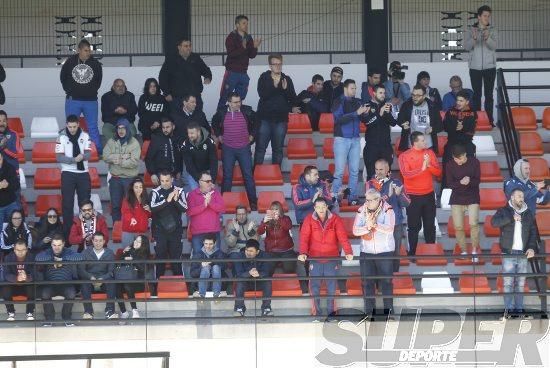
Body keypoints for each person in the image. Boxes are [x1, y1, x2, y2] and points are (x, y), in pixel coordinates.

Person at [298, 197, 353, 318]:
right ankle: (316, 313)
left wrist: (348, 251)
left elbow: (342, 236)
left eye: (323, 206)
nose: (321, 209)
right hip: (314, 259)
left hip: (331, 259)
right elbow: (304, 238)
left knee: (332, 288)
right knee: (314, 288)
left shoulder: (335, 219)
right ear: (314, 208)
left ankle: (331, 313)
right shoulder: (309, 219)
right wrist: (303, 252)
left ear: (327, 207)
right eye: (318, 207)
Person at [491, 189, 537, 319]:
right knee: (508, 284)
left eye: (522, 196)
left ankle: (519, 312)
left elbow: (533, 233)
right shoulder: (504, 211)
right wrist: (511, 218)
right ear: (512, 197)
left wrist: (532, 248)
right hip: (508, 253)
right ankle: (509, 312)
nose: (521, 198)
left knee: (520, 284)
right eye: (518, 196)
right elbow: (494, 223)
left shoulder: (528, 213)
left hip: (523, 254)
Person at [212, 92, 258, 211]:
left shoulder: (247, 111)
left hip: (244, 148)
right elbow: (214, 122)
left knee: (248, 175)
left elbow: (257, 122)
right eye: (235, 102)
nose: (239, 104)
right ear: (229, 102)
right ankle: (223, 202)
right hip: (228, 148)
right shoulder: (222, 112)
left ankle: (253, 202)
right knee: (227, 176)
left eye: (240, 101)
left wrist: (252, 135)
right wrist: (218, 135)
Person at [353, 188, 395, 318]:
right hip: (366, 252)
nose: (367, 202)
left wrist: (375, 225)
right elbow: (355, 230)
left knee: (387, 282)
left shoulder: (388, 209)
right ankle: (369, 312)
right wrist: (367, 227)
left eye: (370, 200)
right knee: (367, 282)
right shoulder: (361, 210)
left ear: (378, 200)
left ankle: (389, 312)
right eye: (366, 199)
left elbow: (390, 229)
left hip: (385, 252)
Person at [399, 132, 442, 256]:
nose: (425, 143)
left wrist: (428, 165)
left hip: (428, 194)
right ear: (415, 142)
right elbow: (406, 174)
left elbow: (438, 172)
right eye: (422, 140)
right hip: (412, 196)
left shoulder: (430, 153)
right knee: (413, 226)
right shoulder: (404, 156)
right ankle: (412, 253)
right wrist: (422, 168)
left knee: (430, 225)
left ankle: (431, 252)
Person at [365, 159, 410, 272]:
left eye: (381, 169)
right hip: (378, 224)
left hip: (396, 224)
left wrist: (399, 195)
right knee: (380, 252)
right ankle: (381, 280)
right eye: (376, 169)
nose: (378, 172)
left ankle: (393, 278)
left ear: (387, 169)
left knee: (395, 252)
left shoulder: (397, 183)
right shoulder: (370, 184)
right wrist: (388, 195)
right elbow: (371, 204)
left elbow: (407, 203)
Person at [254, 54, 299, 166]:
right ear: (270, 65)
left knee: (278, 150)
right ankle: (255, 174)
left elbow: (293, 98)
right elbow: (263, 95)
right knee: (260, 148)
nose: (278, 66)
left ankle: (276, 172)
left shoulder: (287, 79)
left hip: (281, 120)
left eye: (280, 64)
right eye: (275, 64)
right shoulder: (263, 78)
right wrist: (275, 86)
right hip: (264, 119)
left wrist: (285, 90)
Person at [60, 39, 103, 154]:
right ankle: (69, 151)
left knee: (92, 127)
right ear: (79, 50)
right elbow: (63, 78)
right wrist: (69, 91)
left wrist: (91, 91)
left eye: (89, 51)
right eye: (85, 50)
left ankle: (97, 151)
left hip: (91, 101)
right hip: (73, 100)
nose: (88, 53)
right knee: (71, 126)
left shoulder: (95, 63)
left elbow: (99, 80)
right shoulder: (70, 62)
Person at [56, 114, 92, 238]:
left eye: (74, 126)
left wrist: (82, 157)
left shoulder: (85, 135)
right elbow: (59, 157)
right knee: (67, 204)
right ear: (66, 125)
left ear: (78, 125)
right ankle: (68, 236)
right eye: (70, 126)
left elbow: (88, 154)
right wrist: (74, 160)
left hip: (83, 173)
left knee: (85, 204)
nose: (72, 129)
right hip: (67, 173)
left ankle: (86, 235)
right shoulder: (61, 137)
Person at [331, 79, 366, 206]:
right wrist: (356, 113)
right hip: (341, 139)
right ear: (345, 88)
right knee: (339, 171)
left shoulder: (357, 102)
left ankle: (352, 197)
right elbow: (338, 119)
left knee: (354, 171)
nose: (354, 90)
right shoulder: (338, 101)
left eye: (355, 88)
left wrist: (366, 112)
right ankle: (334, 197)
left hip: (355, 139)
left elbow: (363, 118)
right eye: (352, 88)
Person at [217, 14, 261, 109]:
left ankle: (237, 119)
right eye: (244, 23)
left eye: (247, 23)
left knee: (239, 99)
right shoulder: (231, 37)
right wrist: (243, 47)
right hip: (232, 72)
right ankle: (218, 120)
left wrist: (255, 47)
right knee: (225, 97)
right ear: (237, 25)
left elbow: (251, 55)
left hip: (243, 72)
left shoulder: (248, 37)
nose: (246, 25)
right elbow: (231, 54)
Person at [446, 144, 481, 260]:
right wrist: (460, 182)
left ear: (465, 155)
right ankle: (464, 250)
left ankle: (475, 250)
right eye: (455, 159)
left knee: (473, 223)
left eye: (459, 158)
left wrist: (469, 181)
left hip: (472, 197)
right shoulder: (450, 165)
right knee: (458, 226)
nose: (457, 161)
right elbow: (449, 183)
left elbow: (478, 180)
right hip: (456, 198)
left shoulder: (475, 162)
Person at [35, 234, 79, 327]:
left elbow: (79, 257)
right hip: (50, 284)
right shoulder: (48, 252)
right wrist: (53, 260)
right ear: (51, 245)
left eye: (59, 245)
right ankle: (49, 318)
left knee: (71, 293)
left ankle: (66, 317)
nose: (56, 248)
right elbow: (38, 258)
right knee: (44, 294)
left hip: (66, 284)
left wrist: (62, 260)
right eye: (54, 245)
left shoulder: (68, 252)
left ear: (63, 244)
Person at [150, 170, 188, 279]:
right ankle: (157, 288)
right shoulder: (155, 191)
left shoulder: (179, 191)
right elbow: (153, 208)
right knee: (160, 260)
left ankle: (180, 287)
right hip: (159, 232)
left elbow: (185, 208)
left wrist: (175, 199)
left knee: (176, 260)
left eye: (167, 180)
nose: (164, 183)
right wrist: (167, 200)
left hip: (175, 232)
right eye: (162, 181)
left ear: (172, 179)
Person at [159, 38, 212, 112]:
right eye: (186, 46)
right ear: (179, 47)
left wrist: (208, 77)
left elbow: (206, 70)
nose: (188, 48)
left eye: (190, 46)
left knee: (198, 119)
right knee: (178, 120)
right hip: (177, 97)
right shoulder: (171, 59)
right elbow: (162, 77)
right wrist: (166, 93)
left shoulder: (196, 58)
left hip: (195, 96)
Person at [464, 5, 497, 123]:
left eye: (488, 16)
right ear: (479, 17)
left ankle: (489, 121)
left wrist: (488, 38)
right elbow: (467, 47)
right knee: (477, 95)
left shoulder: (492, 29)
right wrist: (473, 38)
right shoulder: (470, 29)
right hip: (475, 68)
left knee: (489, 96)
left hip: (490, 67)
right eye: (484, 16)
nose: (487, 18)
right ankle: (477, 121)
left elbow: (494, 47)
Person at [103, 118, 140, 222]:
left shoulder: (134, 143)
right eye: (119, 128)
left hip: (130, 179)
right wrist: (123, 157)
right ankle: (117, 229)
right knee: (115, 206)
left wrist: (118, 160)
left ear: (127, 129)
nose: (121, 131)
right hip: (115, 179)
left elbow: (134, 162)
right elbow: (105, 157)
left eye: (123, 128)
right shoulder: (111, 141)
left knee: (131, 206)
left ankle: (132, 230)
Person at [442, 90, 477, 190]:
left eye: (461, 101)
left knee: (469, 170)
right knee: (447, 169)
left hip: (466, 144)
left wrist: (462, 127)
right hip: (452, 144)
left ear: (467, 101)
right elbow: (445, 126)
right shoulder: (450, 111)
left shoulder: (472, 112)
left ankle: (469, 192)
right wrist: (456, 127)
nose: (458, 103)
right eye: (457, 100)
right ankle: (446, 192)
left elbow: (471, 129)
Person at [78, 231, 117, 319]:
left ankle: (110, 311)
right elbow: (81, 270)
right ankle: (88, 312)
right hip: (90, 280)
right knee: (84, 282)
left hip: (104, 281)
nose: (98, 243)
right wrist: (90, 277)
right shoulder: (85, 252)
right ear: (92, 241)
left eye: (100, 241)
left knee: (111, 282)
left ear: (104, 241)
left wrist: (102, 278)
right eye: (96, 240)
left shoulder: (110, 253)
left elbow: (111, 271)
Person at [363, 84, 397, 179]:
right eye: (380, 93)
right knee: (372, 176)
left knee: (386, 175)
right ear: (374, 93)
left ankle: (385, 194)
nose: (383, 95)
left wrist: (387, 113)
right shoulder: (367, 106)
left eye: (384, 93)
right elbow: (367, 123)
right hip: (371, 147)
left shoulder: (387, 106)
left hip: (386, 146)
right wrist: (379, 114)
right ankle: (371, 194)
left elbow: (394, 123)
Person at [186, 171, 224, 255]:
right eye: (207, 181)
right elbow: (190, 211)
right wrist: (204, 205)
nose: (210, 183)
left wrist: (210, 203)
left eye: (211, 181)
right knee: (198, 259)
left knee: (216, 258)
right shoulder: (192, 194)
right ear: (200, 182)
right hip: (198, 232)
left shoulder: (216, 193)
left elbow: (222, 208)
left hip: (214, 231)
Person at [397, 84, 443, 155]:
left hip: (428, 145)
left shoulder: (432, 106)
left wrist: (432, 129)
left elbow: (440, 125)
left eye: (418, 95)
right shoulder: (406, 105)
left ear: (424, 96)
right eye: (413, 95)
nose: (415, 97)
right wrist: (403, 124)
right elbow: (399, 120)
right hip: (411, 145)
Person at [233, 239, 272, 317]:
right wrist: (249, 273)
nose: (248, 253)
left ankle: (266, 308)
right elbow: (239, 274)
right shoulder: (239, 256)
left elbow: (267, 272)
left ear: (257, 252)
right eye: (247, 250)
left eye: (251, 251)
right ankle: (239, 308)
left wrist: (259, 274)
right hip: (246, 282)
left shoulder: (265, 256)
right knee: (240, 282)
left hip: (258, 282)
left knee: (267, 282)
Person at [116, 235, 152, 319]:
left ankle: (134, 310)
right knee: (116, 285)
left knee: (127, 284)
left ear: (143, 245)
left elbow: (143, 269)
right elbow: (119, 265)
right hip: (124, 279)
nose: (136, 242)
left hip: (138, 283)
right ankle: (124, 312)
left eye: (139, 242)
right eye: (135, 240)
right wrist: (124, 253)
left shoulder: (145, 255)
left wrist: (133, 259)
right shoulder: (128, 250)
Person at [2, 239, 35, 321]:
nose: (20, 252)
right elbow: (6, 274)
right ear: (14, 250)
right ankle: (11, 312)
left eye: (23, 250)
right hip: (13, 285)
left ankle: (30, 312)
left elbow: (35, 273)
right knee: (5, 288)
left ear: (26, 249)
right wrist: (17, 278)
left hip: (27, 284)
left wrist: (27, 277)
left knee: (32, 287)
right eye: (18, 250)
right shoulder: (8, 258)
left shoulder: (32, 257)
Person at [145, 117, 183, 187]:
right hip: (161, 174)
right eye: (163, 127)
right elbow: (148, 158)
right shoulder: (157, 139)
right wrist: (152, 174)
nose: (165, 129)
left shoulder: (177, 139)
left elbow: (179, 157)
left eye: (167, 127)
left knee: (181, 190)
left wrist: (179, 171)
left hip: (174, 174)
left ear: (173, 127)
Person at [181, 121, 218, 191]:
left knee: (212, 192)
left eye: (192, 133)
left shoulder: (209, 142)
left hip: (208, 172)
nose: (189, 135)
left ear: (198, 132)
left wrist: (211, 180)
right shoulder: (185, 144)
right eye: (188, 133)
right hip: (194, 175)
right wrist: (200, 180)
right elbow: (189, 166)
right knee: (195, 192)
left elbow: (214, 162)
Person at [190, 233, 225, 299]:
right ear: (203, 242)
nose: (208, 246)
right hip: (200, 286)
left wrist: (212, 262)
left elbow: (224, 268)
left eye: (210, 244)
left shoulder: (220, 253)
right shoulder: (198, 255)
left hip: (217, 285)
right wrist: (201, 266)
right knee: (205, 268)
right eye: (206, 244)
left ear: (215, 243)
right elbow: (192, 274)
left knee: (216, 267)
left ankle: (216, 294)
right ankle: (201, 295)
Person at [121, 178, 151, 246]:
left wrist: (149, 210)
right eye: (136, 187)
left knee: (142, 254)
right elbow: (125, 212)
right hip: (128, 232)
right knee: (128, 254)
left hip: (142, 232)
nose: (139, 189)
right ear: (132, 188)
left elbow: (149, 216)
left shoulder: (146, 200)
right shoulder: (127, 200)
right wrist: (131, 218)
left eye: (140, 187)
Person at [0, 151, 19, 225]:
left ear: (2, 157)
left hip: (10, 203)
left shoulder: (10, 167)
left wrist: (7, 185)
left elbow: (16, 185)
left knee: (16, 226)